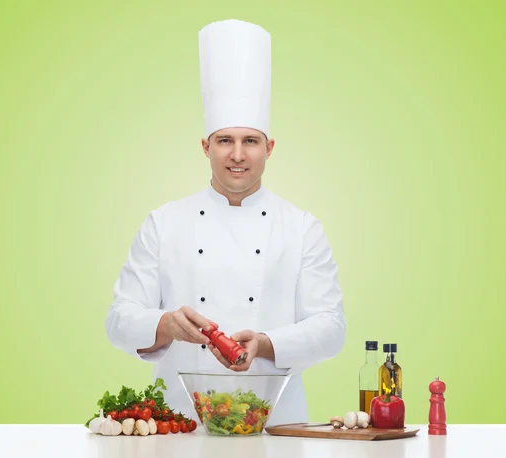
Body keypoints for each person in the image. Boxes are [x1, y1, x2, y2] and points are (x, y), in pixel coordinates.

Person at [105, 19, 346, 426]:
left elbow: (331, 328)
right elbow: (118, 321)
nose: (237, 154)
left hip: (276, 427)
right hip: (179, 425)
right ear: (206, 147)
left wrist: (267, 343)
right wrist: (164, 324)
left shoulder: (302, 227)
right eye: (224, 141)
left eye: (250, 141)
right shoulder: (164, 223)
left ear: (269, 148)